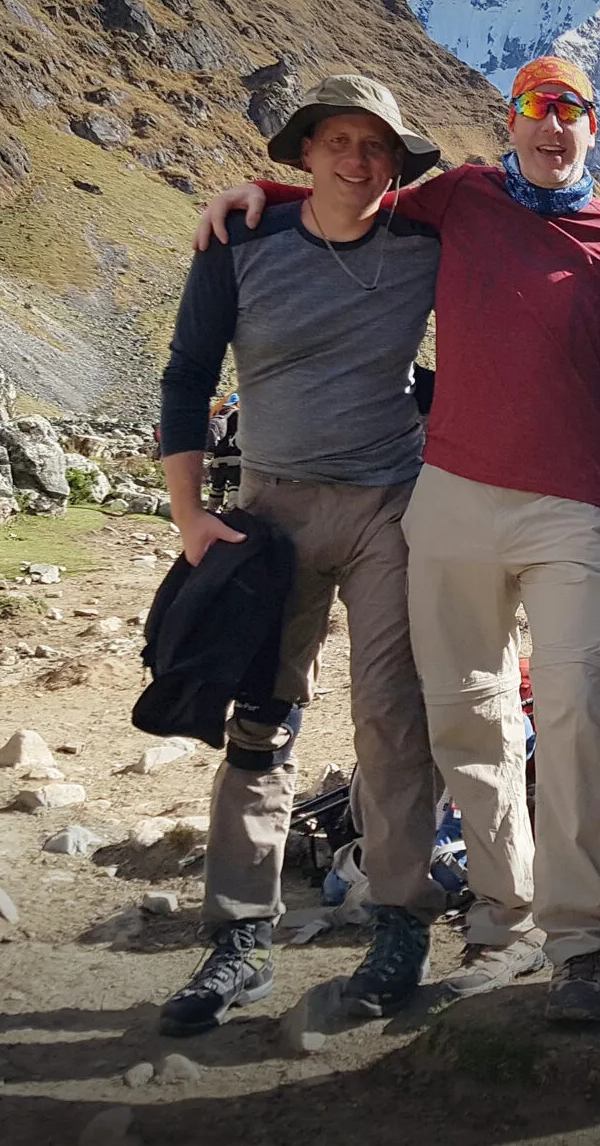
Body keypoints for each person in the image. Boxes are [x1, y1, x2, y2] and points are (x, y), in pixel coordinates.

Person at [198, 56, 600, 1022]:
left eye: (570, 111)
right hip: (447, 496)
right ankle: (501, 918)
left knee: (574, 712)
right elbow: (353, 195)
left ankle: (581, 939)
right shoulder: (462, 196)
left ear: (593, 129)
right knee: (466, 714)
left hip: (571, 506)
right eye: (536, 108)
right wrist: (268, 189)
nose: (551, 126)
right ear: (511, 119)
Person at [154, 74, 450, 1035]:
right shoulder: (240, 244)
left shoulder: (422, 244)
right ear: (306, 150)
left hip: (387, 509)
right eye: (339, 141)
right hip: (268, 513)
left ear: (396, 162)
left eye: (377, 146)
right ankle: (238, 937)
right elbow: (190, 372)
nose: (358, 160)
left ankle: (400, 920)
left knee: (392, 713)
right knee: (260, 716)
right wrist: (192, 514)